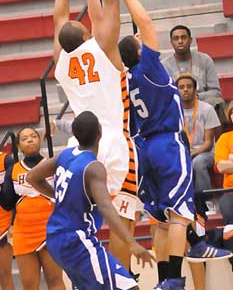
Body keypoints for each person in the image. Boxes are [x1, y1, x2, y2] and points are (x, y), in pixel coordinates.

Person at [52, 0, 138, 270]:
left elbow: (59, 18)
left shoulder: (61, 59)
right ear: (87, 35)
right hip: (113, 142)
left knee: (84, 222)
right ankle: (120, 280)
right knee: (122, 218)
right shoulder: (104, 48)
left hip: (79, 148)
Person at [113, 0, 194, 290]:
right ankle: (174, 279)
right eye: (137, 41)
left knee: (160, 221)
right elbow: (145, 22)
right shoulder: (148, 67)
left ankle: (163, 282)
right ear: (137, 52)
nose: (141, 38)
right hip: (166, 143)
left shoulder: (126, 80)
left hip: (142, 149)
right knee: (180, 215)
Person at [26, 111, 155, 290]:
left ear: (75, 135)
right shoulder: (93, 168)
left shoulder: (65, 155)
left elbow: (32, 177)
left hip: (55, 237)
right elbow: (105, 206)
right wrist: (131, 243)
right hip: (76, 239)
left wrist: (59, 196)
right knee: (130, 288)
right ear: (100, 132)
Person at [0, 127, 65, 290]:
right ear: (19, 146)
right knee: (29, 285)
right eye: (24, 138)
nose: (29, 140)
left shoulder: (53, 165)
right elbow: (7, 204)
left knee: (55, 280)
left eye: (33, 136)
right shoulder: (13, 171)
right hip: (24, 233)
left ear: (40, 140)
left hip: (50, 229)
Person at [176, 73, 221, 193]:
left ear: (195, 89)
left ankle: (206, 200)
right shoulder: (174, 111)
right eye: (181, 87)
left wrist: (191, 154)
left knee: (198, 163)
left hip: (207, 153)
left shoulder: (207, 109)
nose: (185, 89)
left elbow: (208, 144)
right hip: (184, 152)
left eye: (189, 86)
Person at [162, 25, 223, 110]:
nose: (180, 41)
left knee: (218, 102)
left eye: (183, 37)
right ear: (171, 42)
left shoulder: (205, 59)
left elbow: (216, 92)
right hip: (178, 108)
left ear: (190, 40)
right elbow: (163, 95)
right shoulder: (164, 65)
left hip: (203, 105)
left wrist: (196, 97)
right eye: (176, 38)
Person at [215, 100, 233, 265]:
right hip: (230, 191)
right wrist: (227, 164)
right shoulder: (225, 139)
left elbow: (228, 165)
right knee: (230, 225)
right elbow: (221, 166)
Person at [0, 150, 14, 290]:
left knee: (4, 275)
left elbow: (14, 194)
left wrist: (12, 223)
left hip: (2, 224)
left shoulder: (6, 160)